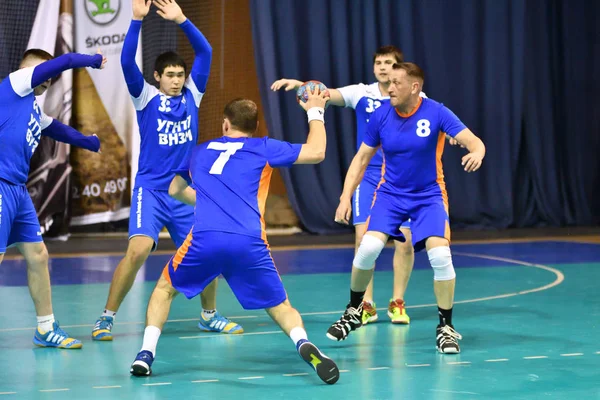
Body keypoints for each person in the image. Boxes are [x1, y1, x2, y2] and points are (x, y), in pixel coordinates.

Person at [129, 89, 340, 384]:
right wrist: (315, 110)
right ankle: (302, 342)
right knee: (280, 306)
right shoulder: (264, 147)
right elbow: (317, 152)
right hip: (249, 241)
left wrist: (206, 199)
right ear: (254, 128)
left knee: (164, 289)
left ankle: (145, 354)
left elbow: (175, 190)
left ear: (225, 124)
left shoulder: (200, 151)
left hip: (205, 239)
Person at [92, 0, 241, 341]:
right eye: (170, 75)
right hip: (152, 191)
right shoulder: (144, 97)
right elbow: (127, 62)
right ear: (157, 77)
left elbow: (206, 52)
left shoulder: (192, 96)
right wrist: (135, 20)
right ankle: (106, 317)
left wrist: (183, 20)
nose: (176, 80)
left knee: (209, 247)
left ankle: (209, 315)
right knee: (139, 250)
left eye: (180, 75)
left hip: (184, 192)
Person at [327, 62, 486, 354]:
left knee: (440, 254)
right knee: (368, 248)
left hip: (429, 196)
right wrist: (344, 197)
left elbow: (474, 142)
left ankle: (446, 327)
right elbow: (361, 159)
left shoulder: (436, 111)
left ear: (415, 87)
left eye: (396, 83)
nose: (389, 88)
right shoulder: (381, 115)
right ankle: (353, 310)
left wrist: (476, 152)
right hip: (390, 194)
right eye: (388, 83)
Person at [271, 46, 418, 326]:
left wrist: (451, 136)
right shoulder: (361, 93)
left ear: (400, 68)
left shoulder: (413, 96)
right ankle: (366, 303)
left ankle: (398, 302)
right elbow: (326, 93)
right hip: (369, 174)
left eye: (389, 63)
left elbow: (432, 122)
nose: (383, 67)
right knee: (364, 241)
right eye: (378, 63)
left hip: (402, 176)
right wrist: (300, 86)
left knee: (406, 242)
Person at [0, 48, 106, 348]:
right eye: (43, 73)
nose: (48, 80)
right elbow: (67, 61)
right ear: (27, 70)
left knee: (38, 256)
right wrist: (93, 60)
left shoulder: (32, 107)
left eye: (50, 78)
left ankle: (45, 329)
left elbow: (56, 129)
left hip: (17, 191)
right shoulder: (16, 83)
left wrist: (89, 142)